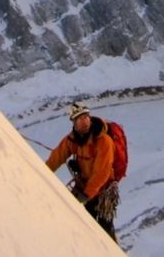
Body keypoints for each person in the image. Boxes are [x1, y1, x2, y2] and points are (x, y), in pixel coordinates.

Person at [46, 101, 118, 241]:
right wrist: (42, 171)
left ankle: (112, 254)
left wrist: (86, 195)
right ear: (74, 123)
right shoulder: (72, 140)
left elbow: (102, 172)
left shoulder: (104, 141)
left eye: (86, 117)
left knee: (104, 226)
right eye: (79, 119)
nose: (84, 121)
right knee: (84, 224)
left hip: (103, 190)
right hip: (85, 186)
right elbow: (56, 157)